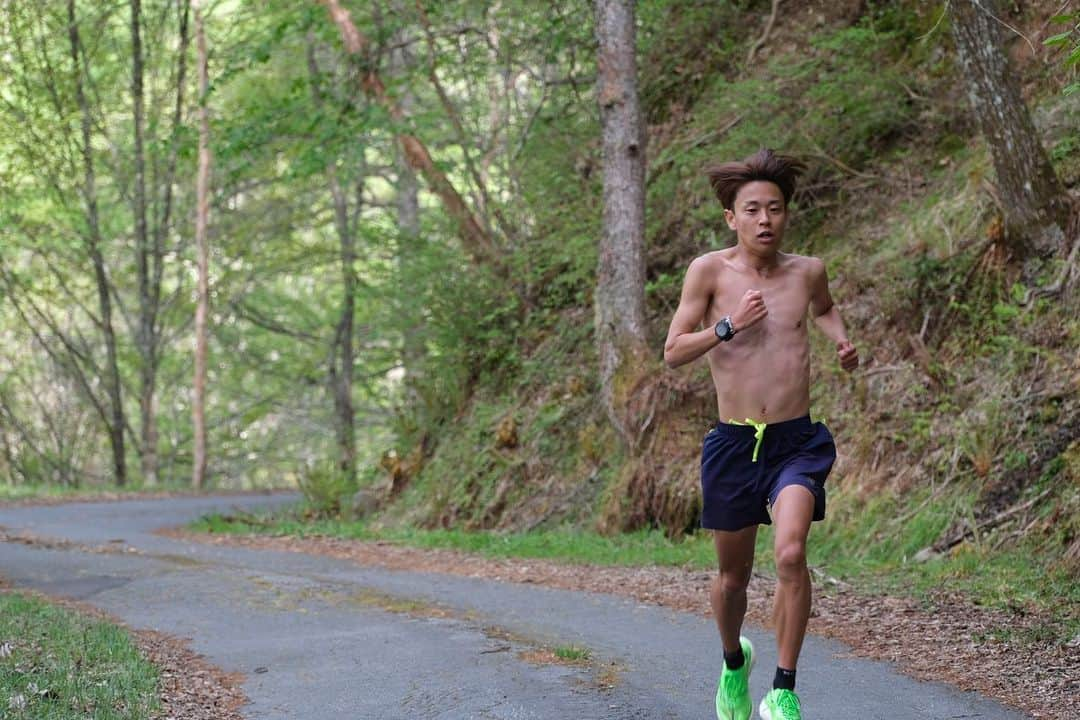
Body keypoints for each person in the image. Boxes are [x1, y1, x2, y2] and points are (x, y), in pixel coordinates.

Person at [663, 148, 858, 720]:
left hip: (796, 442)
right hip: (733, 442)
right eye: (752, 210)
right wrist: (726, 327)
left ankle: (784, 689)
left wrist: (841, 341)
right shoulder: (709, 272)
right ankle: (732, 665)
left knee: (792, 553)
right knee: (733, 577)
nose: (765, 220)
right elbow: (673, 352)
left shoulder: (808, 271)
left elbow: (823, 309)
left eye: (774, 208)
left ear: (787, 214)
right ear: (731, 218)